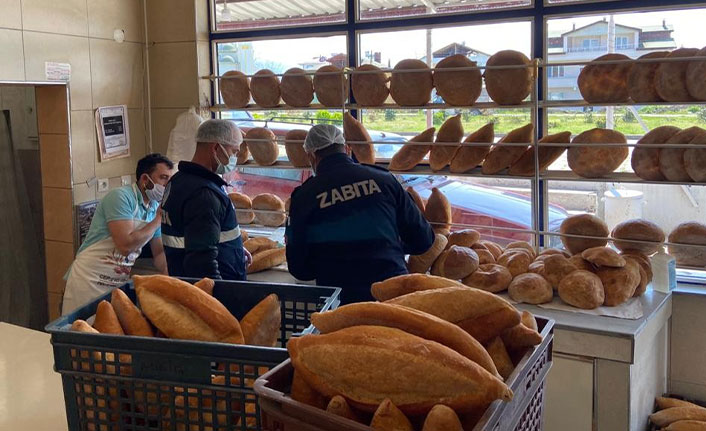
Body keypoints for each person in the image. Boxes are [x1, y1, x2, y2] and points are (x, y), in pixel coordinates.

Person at [285, 124, 435, 304]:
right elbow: (424, 240)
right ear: (347, 149)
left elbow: (299, 269)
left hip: (342, 303)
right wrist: (387, 247)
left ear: (311, 156)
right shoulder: (384, 179)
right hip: (393, 293)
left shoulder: (304, 197)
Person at [61, 154, 173, 315]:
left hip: (115, 282)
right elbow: (125, 245)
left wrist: (170, 279)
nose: (167, 185)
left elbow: (159, 253)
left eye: (170, 179)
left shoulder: (154, 207)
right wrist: (158, 219)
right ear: (145, 179)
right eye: (163, 178)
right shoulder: (121, 197)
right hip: (88, 279)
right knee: (82, 331)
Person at [161, 119, 251, 283]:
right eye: (233, 152)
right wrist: (219, 298)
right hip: (217, 292)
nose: (234, 158)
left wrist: (234, 249)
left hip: (183, 280)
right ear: (216, 148)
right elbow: (201, 263)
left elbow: (198, 235)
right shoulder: (203, 194)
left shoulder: (179, 180)